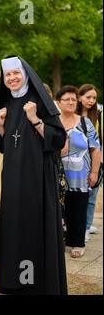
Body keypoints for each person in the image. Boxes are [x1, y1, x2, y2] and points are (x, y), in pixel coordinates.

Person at [0, 56, 67, 294]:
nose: (12, 78)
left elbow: (58, 140)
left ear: (25, 74)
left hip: (38, 177)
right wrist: (1, 126)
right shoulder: (5, 105)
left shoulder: (39, 101)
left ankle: (38, 284)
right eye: (8, 75)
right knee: (15, 227)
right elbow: (6, 145)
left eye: (16, 73)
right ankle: (16, 283)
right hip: (13, 179)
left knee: (36, 226)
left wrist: (35, 119)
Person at [58, 85, 101, 258]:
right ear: (58, 102)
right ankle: (59, 241)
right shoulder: (52, 121)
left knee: (78, 208)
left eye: (73, 99)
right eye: (66, 99)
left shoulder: (85, 122)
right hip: (57, 175)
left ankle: (77, 242)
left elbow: (95, 149)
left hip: (80, 176)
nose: (70, 102)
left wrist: (94, 172)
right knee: (58, 210)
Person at [76, 84, 102, 241]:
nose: (91, 101)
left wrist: (97, 166)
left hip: (95, 160)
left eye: (94, 98)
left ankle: (86, 227)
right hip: (76, 161)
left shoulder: (99, 116)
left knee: (91, 196)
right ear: (79, 97)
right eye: (88, 97)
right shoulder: (72, 114)